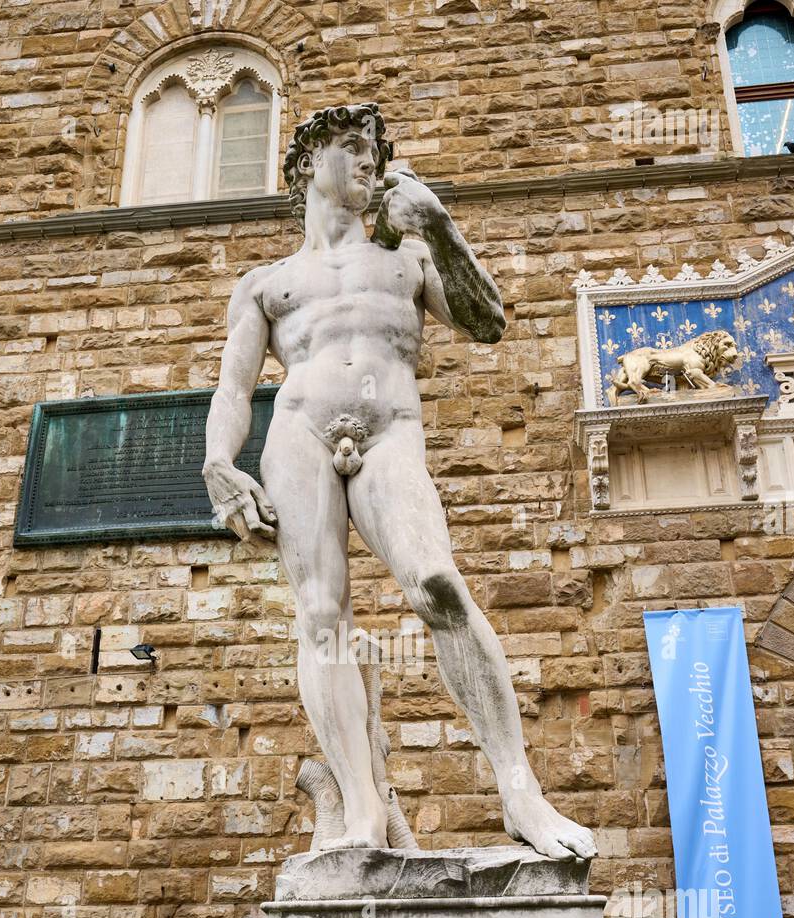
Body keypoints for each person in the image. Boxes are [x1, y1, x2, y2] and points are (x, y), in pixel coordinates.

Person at [203, 103, 595, 860]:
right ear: (308, 164)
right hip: (298, 433)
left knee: (437, 582)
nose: (367, 162)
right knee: (322, 614)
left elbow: (488, 321)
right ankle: (361, 813)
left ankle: (520, 792)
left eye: (374, 152)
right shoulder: (267, 282)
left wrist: (441, 225)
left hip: (391, 430)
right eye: (350, 148)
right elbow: (232, 387)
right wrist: (220, 463)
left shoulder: (408, 260)